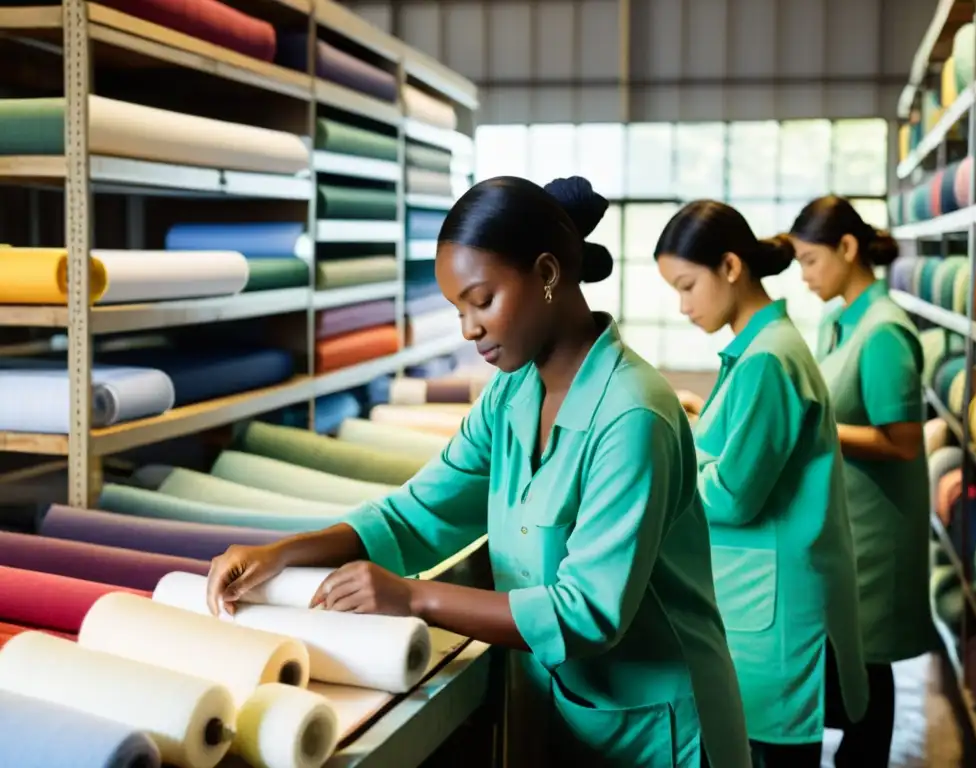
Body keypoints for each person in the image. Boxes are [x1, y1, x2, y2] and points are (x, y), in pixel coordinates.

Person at [207, 176, 752, 767]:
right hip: (575, 711)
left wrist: (414, 598)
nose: (468, 329)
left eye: (481, 300)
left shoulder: (632, 414)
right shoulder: (512, 394)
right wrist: (287, 552)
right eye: (457, 309)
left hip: (665, 731)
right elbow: (419, 513)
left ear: (546, 274)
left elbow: (586, 614)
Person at [654, 200, 869, 767]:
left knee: (770, 754)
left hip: (771, 604)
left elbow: (731, 494)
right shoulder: (760, 350)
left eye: (687, 286)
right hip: (762, 590)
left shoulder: (766, 361)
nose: (683, 306)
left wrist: (657, 474)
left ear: (729, 267)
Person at [789, 195, 933, 767]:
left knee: (867, 656)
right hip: (847, 515)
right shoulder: (838, 321)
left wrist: (812, 427)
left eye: (810, 261)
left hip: (878, 524)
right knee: (847, 655)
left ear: (848, 249)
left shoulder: (883, 332)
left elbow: (902, 442)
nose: (804, 276)